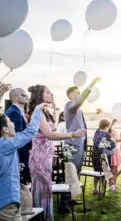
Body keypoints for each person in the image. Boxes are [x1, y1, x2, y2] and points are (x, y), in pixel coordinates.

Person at [27, 85, 85, 219]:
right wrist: (72, 135)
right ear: (40, 95)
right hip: (39, 157)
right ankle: (41, 217)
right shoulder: (38, 113)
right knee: (41, 190)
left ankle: (46, 216)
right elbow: (49, 135)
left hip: (46, 156)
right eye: (48, 92)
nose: (51, 94)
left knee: (46, 189)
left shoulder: (45, 111)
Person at [0, 102, 46, 221]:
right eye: (10, 122)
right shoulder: (5, 145)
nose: (13, 123)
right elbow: (30, 132)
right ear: (5, 129)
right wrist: (37, 110)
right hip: (5, 208)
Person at [64, 77, 100, 174]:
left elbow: (84, 129)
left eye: (80, 93)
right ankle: (70, 189)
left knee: (78, 171)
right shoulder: (69, 105)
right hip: (72, 145)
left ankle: (75, 189)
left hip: (80, 145)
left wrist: (84, 148)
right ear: (70, 94)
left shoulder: (80, 110)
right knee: (71, 172)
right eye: (78, 92)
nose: (79, 94)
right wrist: (91, 85)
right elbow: (80, 101)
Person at [5, 88, 31, 184]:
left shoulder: (17, 111)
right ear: (15, 98)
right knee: (21, 183)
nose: (27, 96)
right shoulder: (14, 112)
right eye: (23, 95)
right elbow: (18, 137)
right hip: (19, 154)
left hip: (21, 152)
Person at [92, 119, 116, 195]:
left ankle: (95, 188)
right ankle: (102, 190)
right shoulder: (107, 135)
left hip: (95, 157)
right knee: (104, 173)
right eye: (108, 126)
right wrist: (113, 142)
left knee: (96, 173)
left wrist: (103, 143)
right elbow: (111, 146)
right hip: (103, 157)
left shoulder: (97, 131)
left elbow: (97, 143)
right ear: (106, 126)